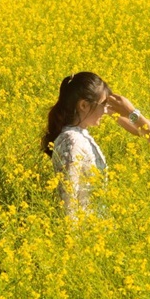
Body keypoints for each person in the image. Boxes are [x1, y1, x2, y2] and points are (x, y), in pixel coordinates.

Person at [41, 72, 111, 218]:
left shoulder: (81, 136)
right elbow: (68, 198)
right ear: (84, 105)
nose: (106, 111)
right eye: (103, 104)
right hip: (83, 231)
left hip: (94, 229)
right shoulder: (71, 141)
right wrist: (73, 237)